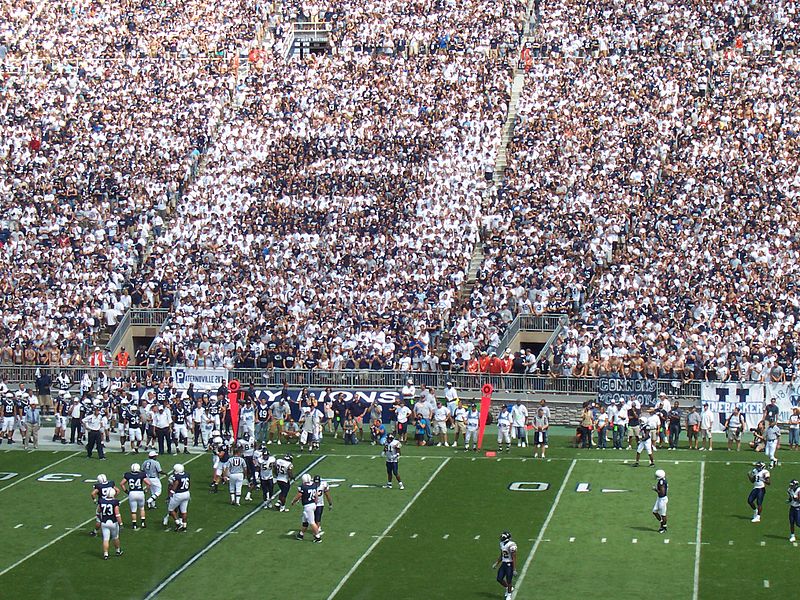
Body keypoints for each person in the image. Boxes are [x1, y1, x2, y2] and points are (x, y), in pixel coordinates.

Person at [290, 473, 322, 543]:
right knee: (305, 521)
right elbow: (316, 495)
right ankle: (300, 535)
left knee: (312, 522)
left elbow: (299, 495)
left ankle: (318, 537)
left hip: (308, 506)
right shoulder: (314, 485)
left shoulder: (303, 487)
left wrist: (293, 501)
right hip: (313, 504)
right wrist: (315, 503)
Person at [121, 463, 151, 529]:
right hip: (140, 492)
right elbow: (149, 484)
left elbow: (122, 484)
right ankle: (143, 523)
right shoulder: (142, 474)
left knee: (133, 510)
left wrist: (126, 491)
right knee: (142, 508)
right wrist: (146, 490)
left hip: (132, 493)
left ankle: (134, 524)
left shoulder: (127, 475)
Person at [96, 488, 123, 560]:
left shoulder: (101, 501)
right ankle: (118, 551)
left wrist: (100, 519)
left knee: (106, 539)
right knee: (115, 537)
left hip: (104, 522)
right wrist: (121, 524)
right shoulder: (115, 502)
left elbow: (98, 512)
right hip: (113, 522)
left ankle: (106, 554)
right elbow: (117, 514)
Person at [164, 463, 191, 532]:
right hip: (186, 493)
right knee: (184, 511)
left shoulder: (175, 476)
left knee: (171, 509)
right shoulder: (187, 474)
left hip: (179, 494)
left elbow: (175, 484)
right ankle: (184, 525)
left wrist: (170, 495)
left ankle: (178, 523)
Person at [492, 531, 517, 599]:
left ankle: (509, 594)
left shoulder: (512, 545)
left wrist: (514, 569)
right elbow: (502, 554)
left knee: (509, 580)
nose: (501, 538)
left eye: (503, 537)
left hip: (510, 564)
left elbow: (514, 557)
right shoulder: (502, 544)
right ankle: (508, 588)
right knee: (499, 578)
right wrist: (497, 563)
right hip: (504, 563)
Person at [652, 469, 668, 533]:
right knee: (654, 511)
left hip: (662, 499)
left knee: (663, 514)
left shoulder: (661, 482)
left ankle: (664, 527)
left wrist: (655, 489)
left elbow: (662, 492)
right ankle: (662, 523)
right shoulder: (661, 480)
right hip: (659, 498)